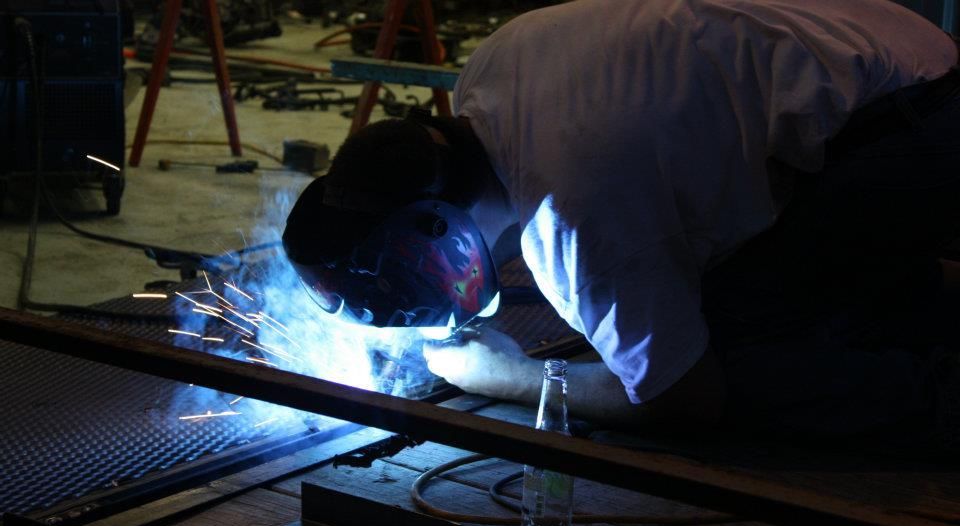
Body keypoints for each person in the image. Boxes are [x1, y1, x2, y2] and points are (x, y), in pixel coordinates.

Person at [284, 0, 960, 439]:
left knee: (729, 358)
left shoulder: (570, 219)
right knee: (711, 293)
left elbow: (678, 400)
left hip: (915, 131)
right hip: (901, 50)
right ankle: (914, 301)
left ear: (438, 241)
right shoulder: (487, 76)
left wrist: (507, 379)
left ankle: (939, 402)